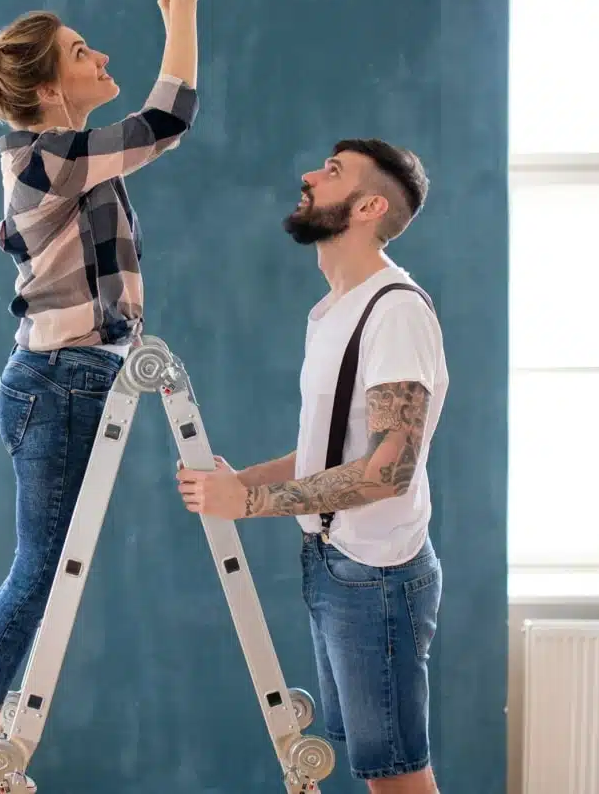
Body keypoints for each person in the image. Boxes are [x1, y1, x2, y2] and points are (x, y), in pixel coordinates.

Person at [0, 0, 214, 794]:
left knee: (49, 564)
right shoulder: (45, 159)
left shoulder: (74, 161)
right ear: (51, 88)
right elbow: (168, 118)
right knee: (41, 566)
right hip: (57, 382)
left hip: (74, 377)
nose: (101, 57)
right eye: (83, 52)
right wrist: (184, 8)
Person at [175, 139, 447, 794]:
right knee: (379, 771)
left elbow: (388, 471)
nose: (308, 175)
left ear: (369, 206)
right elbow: (333, 451)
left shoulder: (395, 311)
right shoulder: (334, 311)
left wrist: (249, 505)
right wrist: (244, 482)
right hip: (334, 565)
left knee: (397, 780)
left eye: (332, 172)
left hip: (376, 577)